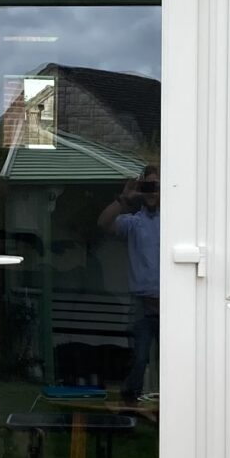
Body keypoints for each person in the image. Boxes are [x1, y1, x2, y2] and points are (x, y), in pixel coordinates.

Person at [96, 166, 161, 402]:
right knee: (139, 357)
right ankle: (130, 404)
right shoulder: (135, 222)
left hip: (170, 304)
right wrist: (125, 198)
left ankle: (172, 408)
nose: (152, 192)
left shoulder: (174, 222)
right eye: (147, 187)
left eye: (156, 186)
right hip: (142, 304)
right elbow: (104, 223)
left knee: (172, 361)